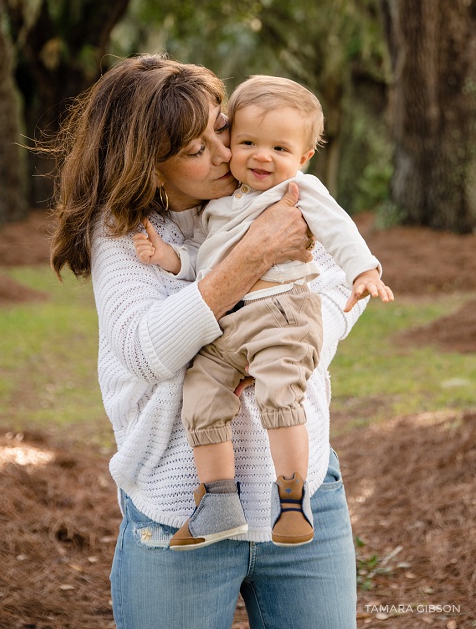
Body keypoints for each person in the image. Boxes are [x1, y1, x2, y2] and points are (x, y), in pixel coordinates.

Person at [50, 55, 363, 628]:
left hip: (303, 496)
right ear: (150, 168)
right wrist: (252, 259)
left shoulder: (273, 196)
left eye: (220, 127)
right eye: (195, 151)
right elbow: (147, 351)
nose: (226, 153)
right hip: (180, 513)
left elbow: (346, 281)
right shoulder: (127, 235)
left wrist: (286, 343)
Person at [131, 75, 393, 550]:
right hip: (229, 326)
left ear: (303, 157)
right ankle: (218, 501)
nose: (261, 156)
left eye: (278, 147)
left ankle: (291, 498)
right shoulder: (220, 205)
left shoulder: (300, 191)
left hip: (282, 312)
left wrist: (364, 271)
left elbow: (340, 232)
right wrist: (167, 258)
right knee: (201, 391)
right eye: (247, 142)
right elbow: (206, 262)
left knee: (279, 392)